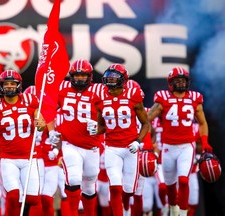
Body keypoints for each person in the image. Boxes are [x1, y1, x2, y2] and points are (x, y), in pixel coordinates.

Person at [0, 70, 60, 216]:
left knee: (33, 199)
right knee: (13, 196)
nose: (9, 87)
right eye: (6, 84)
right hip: (8, 159)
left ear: (18, 86)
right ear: (1, 86)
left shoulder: (30, 101)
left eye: (12, 84)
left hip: (29, 159)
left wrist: (40, 124)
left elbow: (42, 125)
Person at [147, 67, 213, 216]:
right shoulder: (162, 98)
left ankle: (183, 213)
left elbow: (202, 123)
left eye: (183, 80)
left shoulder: (195, 98)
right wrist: (146, 140)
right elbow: (147, 120)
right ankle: (173, 207)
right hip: (168, 147)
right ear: (170, 83)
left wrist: (205, 141)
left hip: (186, 146)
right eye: (177, 80)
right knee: (170, 185)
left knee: (183, 181)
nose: (181, 83)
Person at [91, 64, 150, 216]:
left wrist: (138, 141)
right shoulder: (100, 98)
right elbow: (102, 127)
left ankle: (126, 211)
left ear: (123, 80)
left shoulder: (133, 95)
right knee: (115, 187)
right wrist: (94, 130)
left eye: (114, 76)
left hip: (130, 147)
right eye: (109, 76)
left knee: (129, 190)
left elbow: (146, 123)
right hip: (112, 148)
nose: (110, 79)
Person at [58, 59, 102, 216]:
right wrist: (50, 130)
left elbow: (111, 114)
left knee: (89, 185)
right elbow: (48, 108)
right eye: (77, 75)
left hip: (92, 145)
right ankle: (72, 213)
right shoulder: (62, 88)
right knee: (74, 179)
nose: (80, 79)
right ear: (71, 76)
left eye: (83, 75)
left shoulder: (99, 90)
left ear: (90, 76)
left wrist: (99, 126)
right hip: (70, 143)